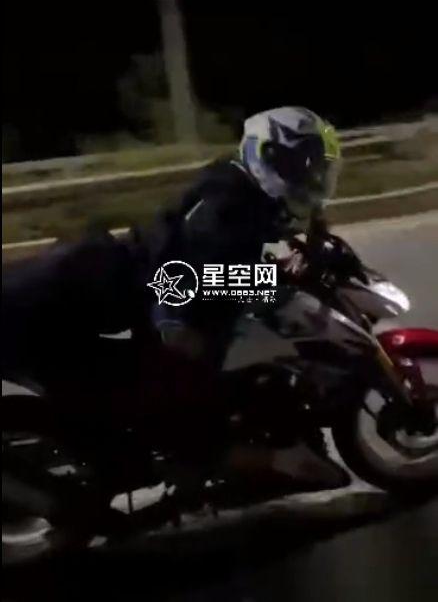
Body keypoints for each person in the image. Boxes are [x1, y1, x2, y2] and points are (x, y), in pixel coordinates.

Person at [2, 107, 348, 509]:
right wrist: (271, 283)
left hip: (98, 289)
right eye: (303, 165)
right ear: (271, 158)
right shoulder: (224, 205)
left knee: (186, 368)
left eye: (316, 168)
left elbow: (212, 265)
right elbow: (188, 278)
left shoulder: (243, 190)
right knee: (174, 389)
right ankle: (245, 462)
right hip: (48, 311)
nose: (312, 177)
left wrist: (280, 270)